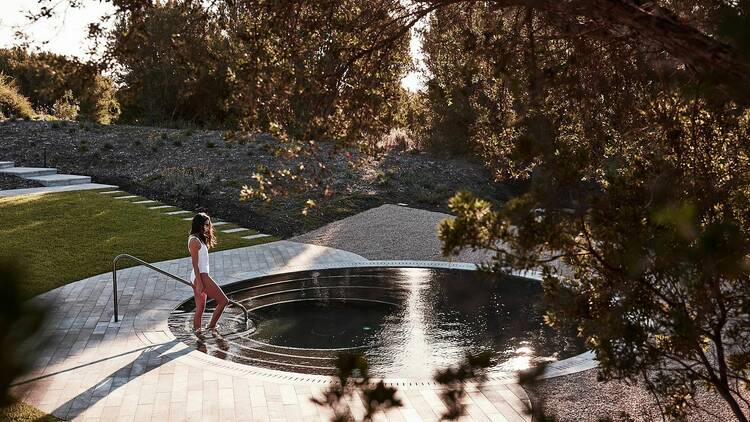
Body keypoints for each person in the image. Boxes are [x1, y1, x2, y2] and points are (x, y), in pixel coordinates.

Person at [188, 212, 229, 332]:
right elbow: (195, 264)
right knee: (223, 301)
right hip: (200, 276)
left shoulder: (200, 238)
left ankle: (198, 333)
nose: (207, 227)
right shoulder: (194, 241)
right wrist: (199, 283)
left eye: (208, 225)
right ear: (199, 225)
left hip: (200, 276)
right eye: (205, 225)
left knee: (200, 307)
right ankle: (211, 327)